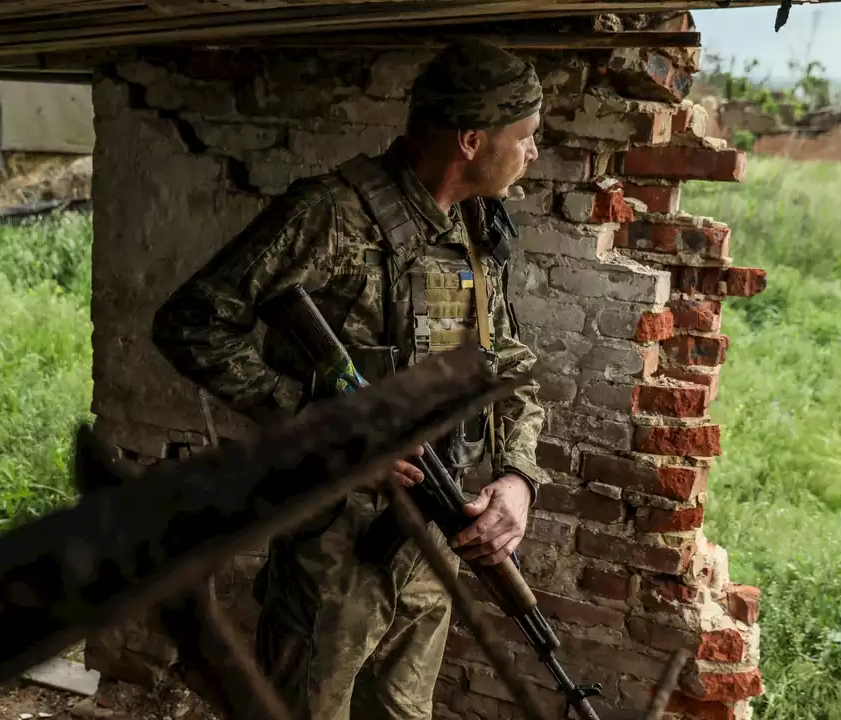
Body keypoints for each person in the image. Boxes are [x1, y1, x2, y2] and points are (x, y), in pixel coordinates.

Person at [151, 39, 549, 720]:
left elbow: (505, 363)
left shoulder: (479, 227)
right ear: (471, 139)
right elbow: (192, 322)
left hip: (436, 529)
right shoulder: (331, 214)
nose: (533, 154)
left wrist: (516, 475)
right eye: (526, 137)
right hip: (333, 541)